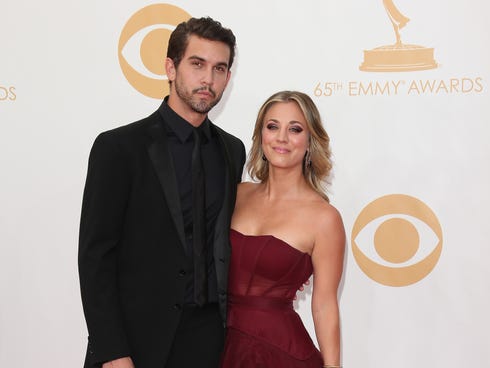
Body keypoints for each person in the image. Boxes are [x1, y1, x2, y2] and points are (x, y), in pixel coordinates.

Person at [78, 17, 245, 368]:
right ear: (171, 67)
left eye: (219, 69)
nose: (208, 80)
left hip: (209, 341)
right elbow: (95, 258)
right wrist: (112, 352)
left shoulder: (232, 150)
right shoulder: (120, 148)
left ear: (228, 77)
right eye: (197, 64)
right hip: (135, 343)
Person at [220, 91, 345, 368]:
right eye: (272, 126)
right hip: (216, 346)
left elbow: (324, 305)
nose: (281, 138)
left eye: (295, 129)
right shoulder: (236, 195)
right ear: (260, 135)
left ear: (310, 141)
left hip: (279, 353)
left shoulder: (324, 218)